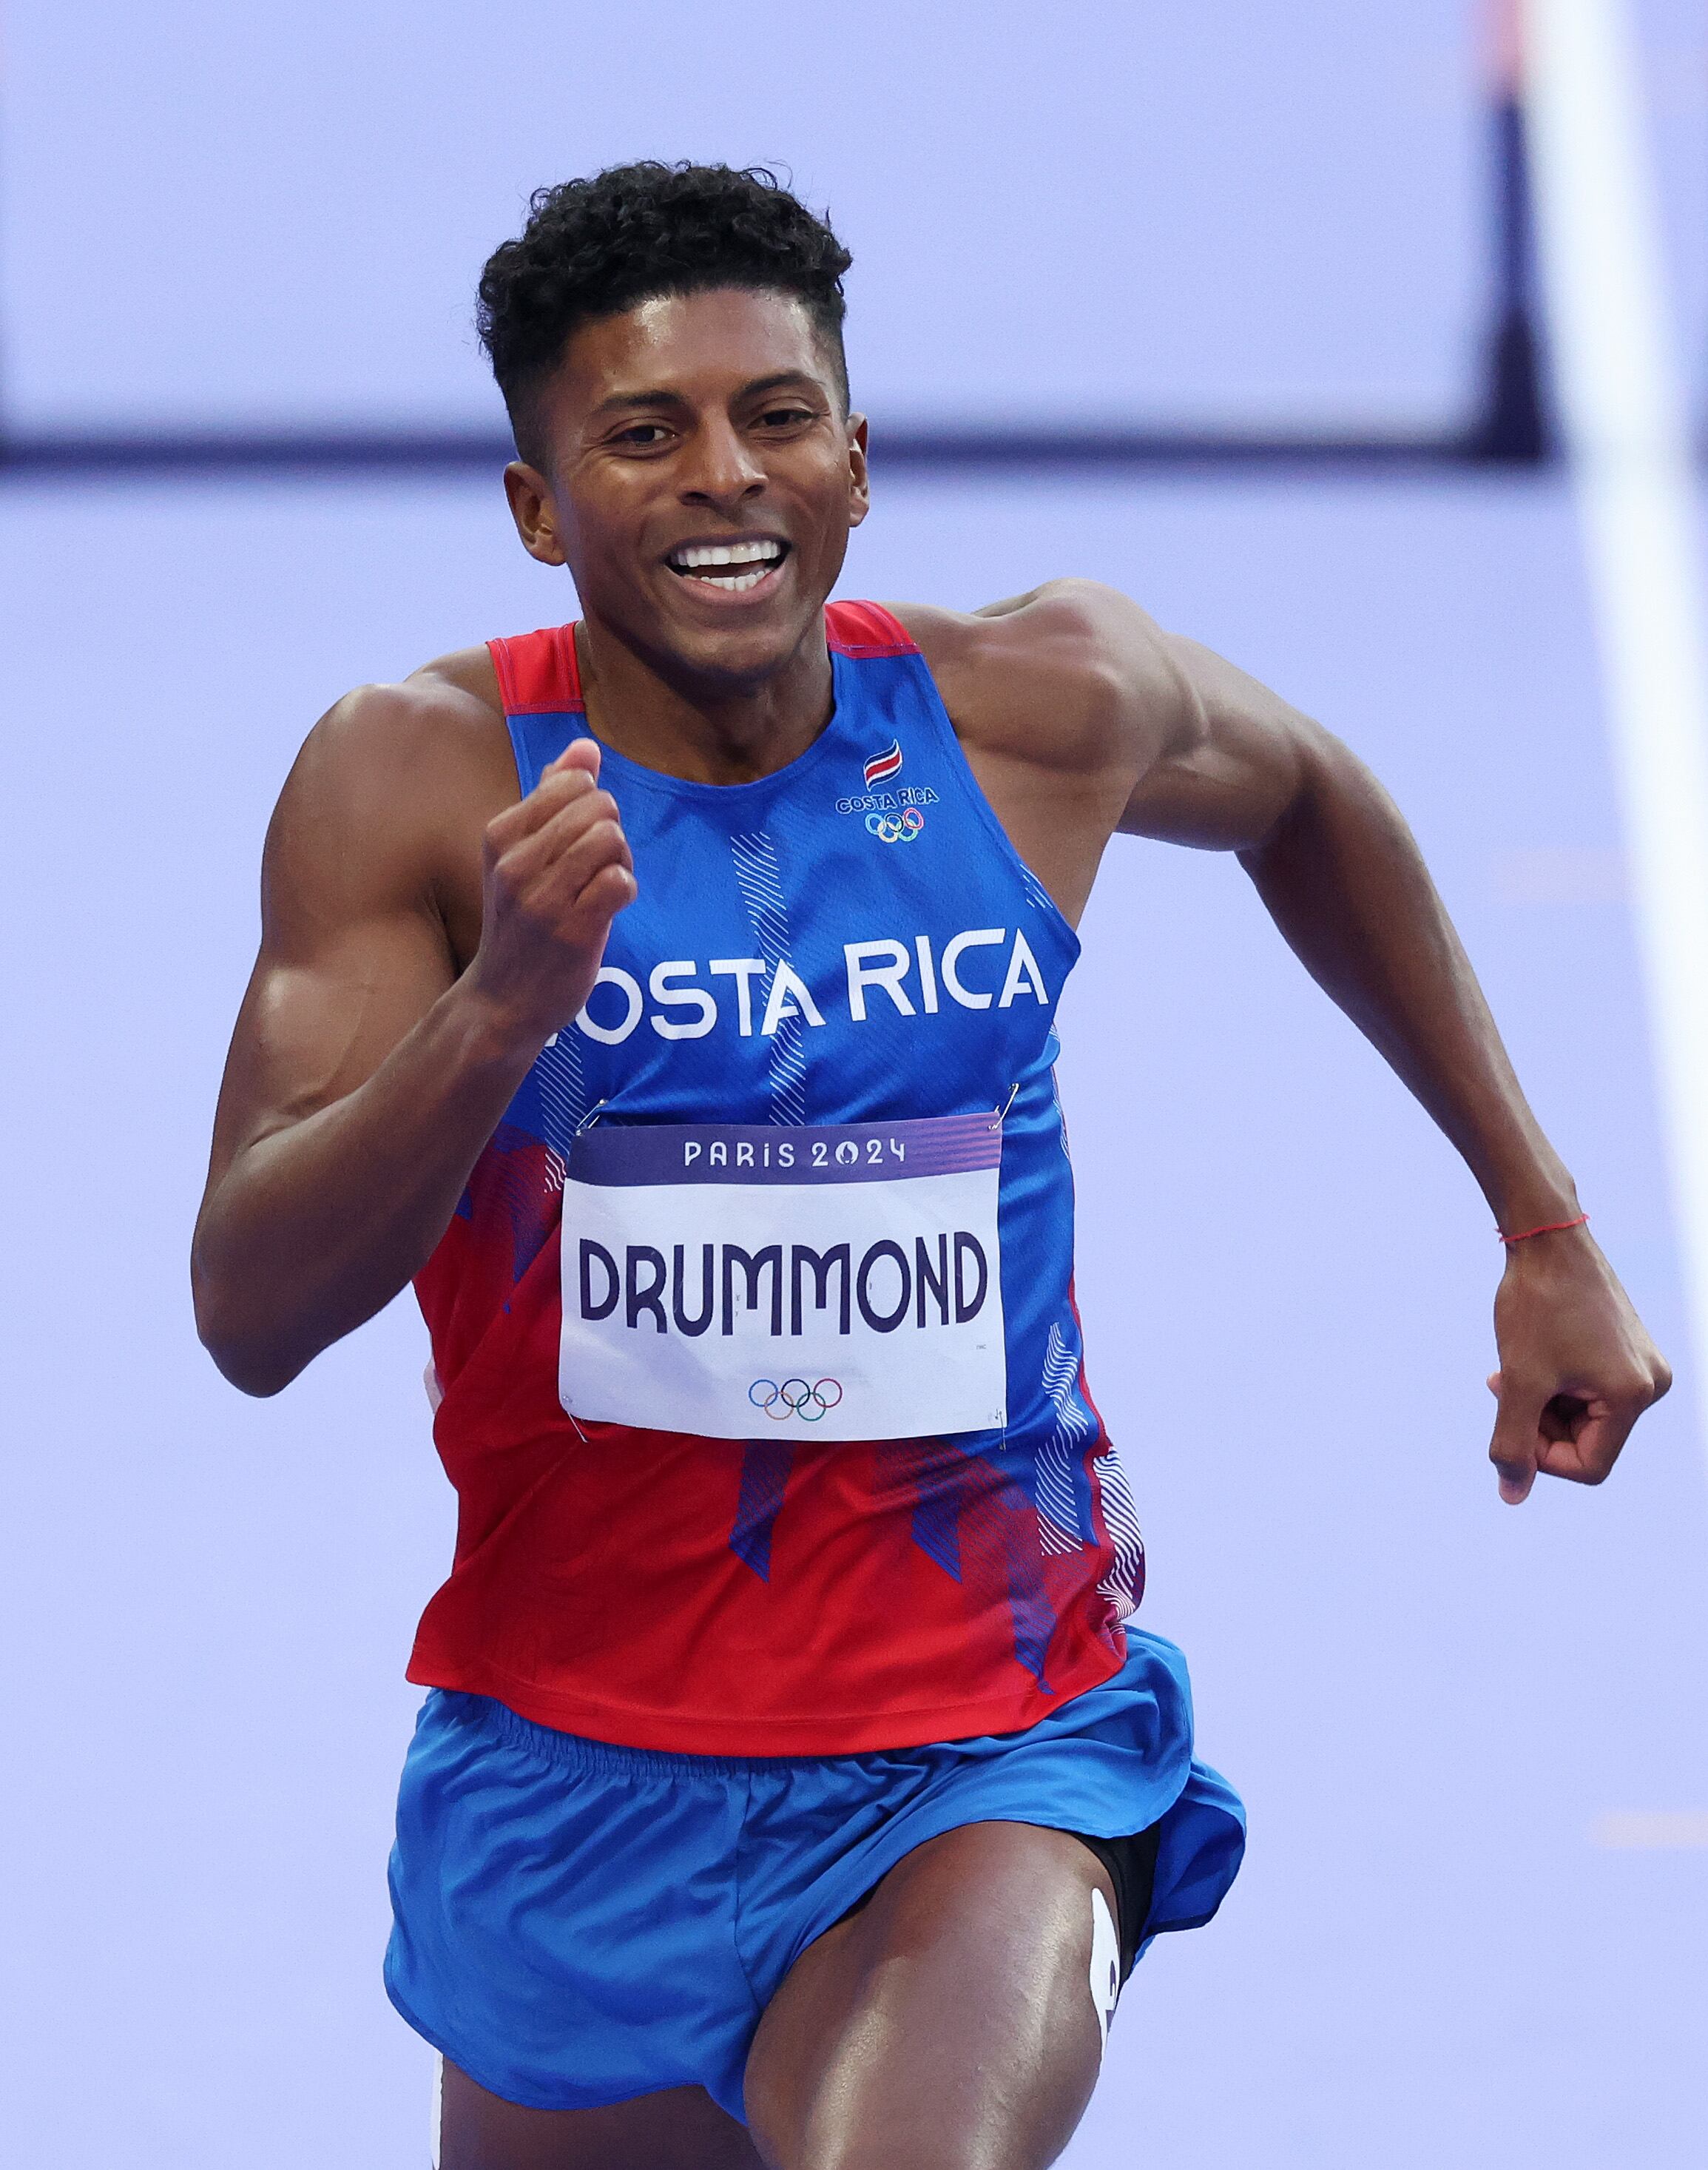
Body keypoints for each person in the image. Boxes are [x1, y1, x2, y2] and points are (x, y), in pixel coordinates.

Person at [192, 162, 1670, 2170]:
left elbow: (1311, 795)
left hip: (988, 1743)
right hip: (573, 1771)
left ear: (857, 460)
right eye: (644, 435)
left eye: (775, 417)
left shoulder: (1043, 706)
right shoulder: (414, 777)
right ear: (540, 509)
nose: (726, 477)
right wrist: (496, 1016)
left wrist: (1543, 1223)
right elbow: (252, 1311)